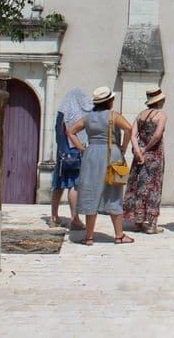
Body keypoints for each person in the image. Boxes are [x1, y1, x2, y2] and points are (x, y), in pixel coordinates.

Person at [71, 86, 134, 245]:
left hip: (91, 155)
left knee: (91, 192)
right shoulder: (113, 116)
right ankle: (119, 235)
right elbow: (128, 128)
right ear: (109, 101)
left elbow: (71, 131)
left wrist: (81, 147)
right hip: (111, 154)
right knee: (114, 192)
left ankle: (89, 236)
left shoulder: (87, 118)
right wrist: (123, 147)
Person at [123, 87, 168, 234]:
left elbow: (132, 133)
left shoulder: (140, 114)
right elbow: (157, 135)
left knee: (139, 186)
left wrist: (138, 149)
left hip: (140, 156)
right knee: (154, 187)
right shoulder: (161, 115)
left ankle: (138, 222)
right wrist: (147, 148)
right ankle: (151, 224)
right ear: (159, 100)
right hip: (154, 155)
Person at [49, 88, 91, 229]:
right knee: (74, 185)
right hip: (75, 152)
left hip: (62, 153)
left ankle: (54, 217)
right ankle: (75, 219)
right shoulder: (79, 115)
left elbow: (57, 133)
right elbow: (82, 133)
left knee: (58, 183)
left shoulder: (61, 114)